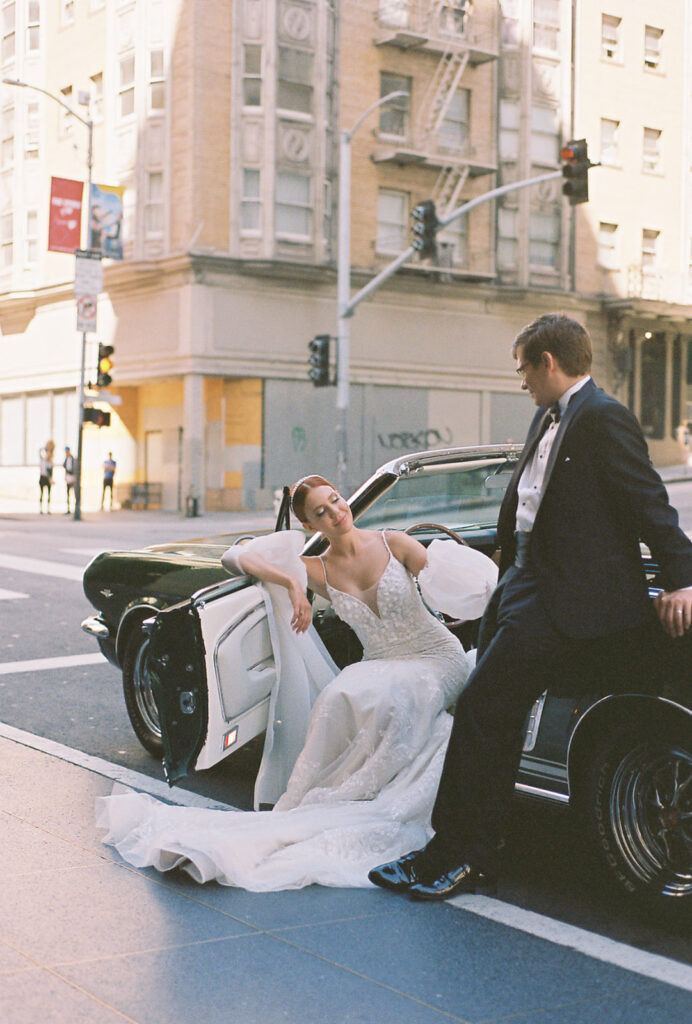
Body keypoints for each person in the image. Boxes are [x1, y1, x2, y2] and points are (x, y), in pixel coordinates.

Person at [369, 313, 692, 901]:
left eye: (522, 368)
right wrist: (502, 569)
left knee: (483, 710)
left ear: (548, 362)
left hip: (566, 598)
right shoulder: (548, 416)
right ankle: (457, 850)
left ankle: (462, 856)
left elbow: (651, 505)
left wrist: (684, 579)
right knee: (488, 714)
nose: (519, 381)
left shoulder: (602, 418)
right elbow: (532, 509)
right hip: (521, 584)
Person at [96, 475, 498, 892]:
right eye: (320, 512)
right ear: (308, 526)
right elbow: (237, 557)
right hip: (382, 661)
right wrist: (293, 584)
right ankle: (343, 797)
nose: (335, 513)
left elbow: (461, 584)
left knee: (403, 691)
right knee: (338, 694)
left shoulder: (393, 542)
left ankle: (379, 791)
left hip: (437, 658)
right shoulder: (316, 569)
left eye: (337, 501)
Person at [38, 441, 55, 514]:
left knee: (48, 494)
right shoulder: (43, 460)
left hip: (48, 479)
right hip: (42, 478)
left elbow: (51, 472)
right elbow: (39, 452)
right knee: (41, 494)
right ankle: (41, 509)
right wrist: (45, 448)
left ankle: (48, 509)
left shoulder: (50, 462)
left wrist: (51, 479)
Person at [63, 446, 76, 514]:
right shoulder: (66, 459)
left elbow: (74, 468)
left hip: (72, 476)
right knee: (68, 493)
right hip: (68, 476)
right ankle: (68, 509)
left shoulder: (72, 459)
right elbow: (65, 467)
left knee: (74, 493)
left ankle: (75, 508)